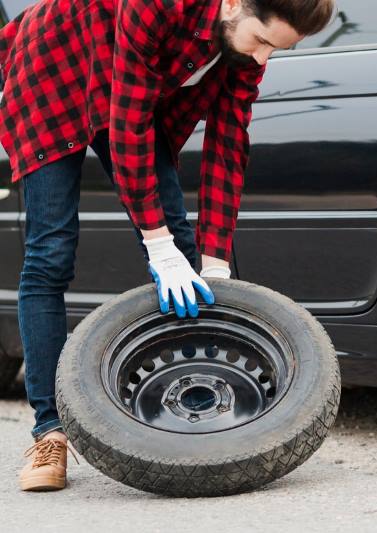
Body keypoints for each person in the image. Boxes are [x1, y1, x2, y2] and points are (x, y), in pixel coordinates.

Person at [0, 0, 335, 491]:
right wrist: (157, 246)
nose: (263, 59)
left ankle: (194, 414)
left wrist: (215, 259)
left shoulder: (243, 51)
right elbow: (129, 126)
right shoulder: (156, 4)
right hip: (54, 68)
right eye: (262, 41)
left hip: (122, 86)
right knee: (51, 252)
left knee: (184, 249)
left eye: (276, 51)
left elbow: (228, 143)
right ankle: (50, 433)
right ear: (236, 4)